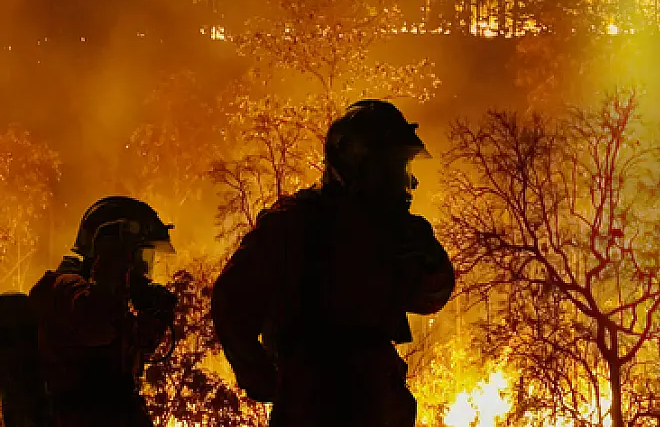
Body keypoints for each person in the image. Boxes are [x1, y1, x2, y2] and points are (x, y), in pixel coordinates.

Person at [211, 99, 455, 427]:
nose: (405, 181)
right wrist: (265, 378)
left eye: (403, 166)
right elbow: (231, 302)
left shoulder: (396, 231)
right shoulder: (293, 226)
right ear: (355, 164)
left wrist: (429, 260)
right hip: (315, 400)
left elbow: (429, 299)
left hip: (377, 401)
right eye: (392, 167)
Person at [28, 196, 178, 427]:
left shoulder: (109, 303)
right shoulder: (66, 288)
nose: (145, 271)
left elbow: (130, 357)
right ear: (112, 252)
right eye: (140, 258)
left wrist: (155, 318)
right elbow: (96, 327)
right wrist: (113, 271)